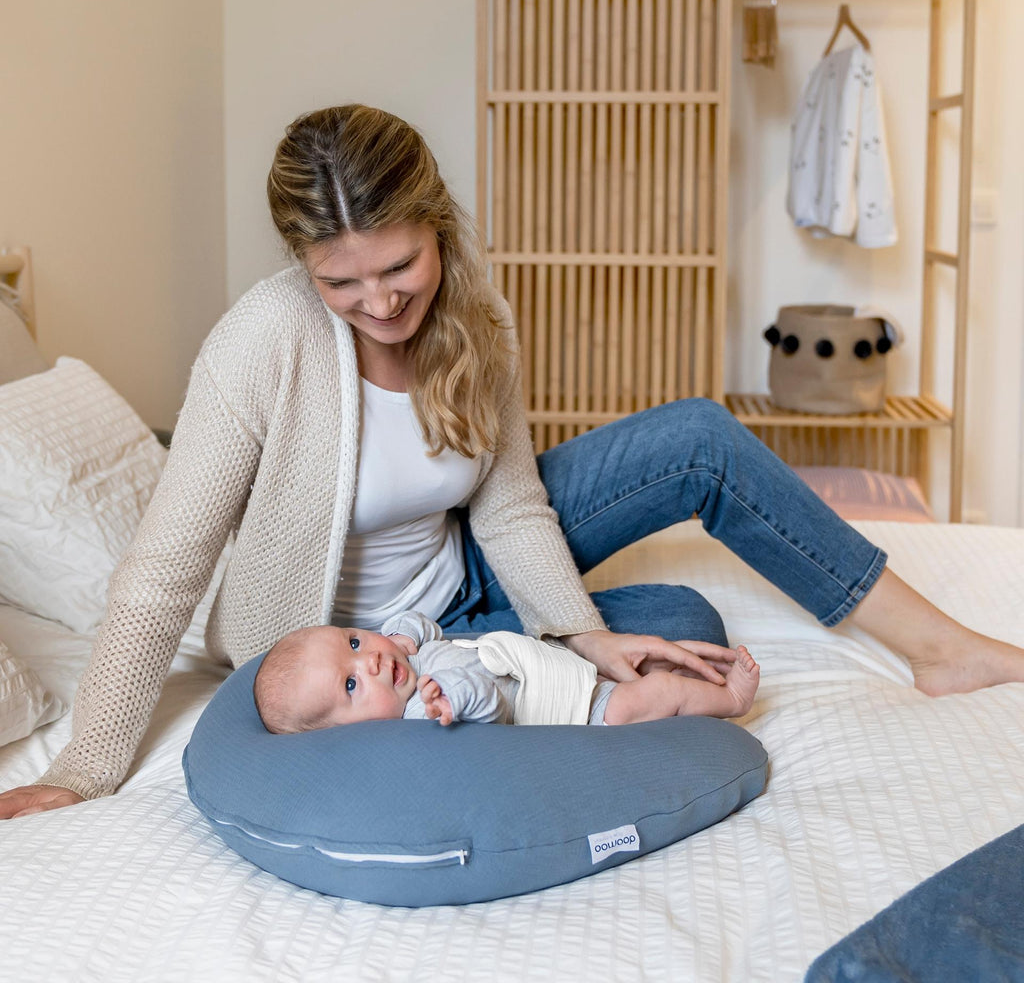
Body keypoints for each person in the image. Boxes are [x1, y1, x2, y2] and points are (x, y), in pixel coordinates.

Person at [3, 103, 1022, 821]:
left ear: (436, 225)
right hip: (365, 659)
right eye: (341, 282)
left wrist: (582, 632)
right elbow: (163, 570)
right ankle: (529, 683)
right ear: (303, 268)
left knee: (697, 449)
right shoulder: (261, 343)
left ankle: (940, 649)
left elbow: (510, 506)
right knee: (680, 630)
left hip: (475, 585)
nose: (380, 303)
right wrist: (85, 767)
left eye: (399, 266)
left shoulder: (476, 312)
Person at [253, 611, 761, 732]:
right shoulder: (422, 712)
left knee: (671, 637)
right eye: (351, 684)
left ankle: (695, 680)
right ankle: (732, 701)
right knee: (661, 690)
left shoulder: (402, 662)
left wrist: (403, 635)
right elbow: (492, 706)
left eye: (353, 641)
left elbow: (421, 626)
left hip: (562, 669)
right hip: (583, 713)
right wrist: (451, 696)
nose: (370, 660)